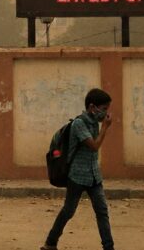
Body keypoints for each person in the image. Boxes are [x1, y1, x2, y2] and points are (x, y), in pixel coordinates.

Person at [40, 88, 115, 250]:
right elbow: (94, 146)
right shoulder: (79, 124)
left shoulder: (94, 123)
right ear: (92, 107)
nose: (106, 113)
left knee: (102, 211)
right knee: (68, 211)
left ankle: (108, 246)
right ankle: (50, 242)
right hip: (77, 176)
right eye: (104, 109)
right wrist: (105, 128)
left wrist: (101, 127)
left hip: (94, 176)